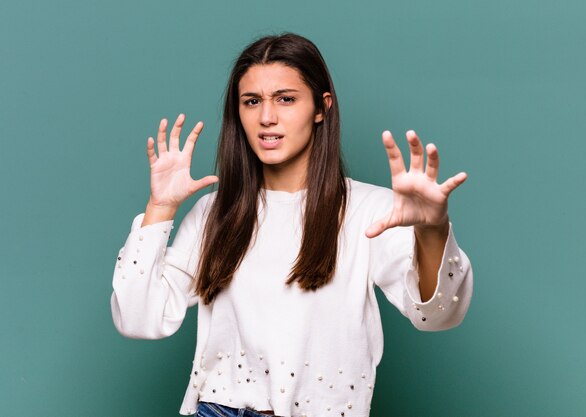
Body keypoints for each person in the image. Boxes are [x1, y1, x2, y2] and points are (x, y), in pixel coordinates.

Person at [111, 33, 473, 417]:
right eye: (252, 101)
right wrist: (160, 207)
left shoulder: (370, 209)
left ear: (321, 107)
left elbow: (437, 316)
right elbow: (138, 319)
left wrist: (432, 229)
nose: (267, 117)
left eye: (285, 99)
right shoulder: (214, 213)